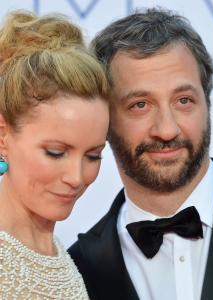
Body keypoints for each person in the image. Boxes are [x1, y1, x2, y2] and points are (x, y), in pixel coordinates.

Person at [69, 8, 213, 300]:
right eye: (141, 105)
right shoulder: (77, 271)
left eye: (183, 100)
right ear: (104, 119)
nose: (166, 130)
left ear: (208, 104)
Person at [0, 10, 109, 299]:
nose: (76, 178)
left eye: (93, 156)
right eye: (56, 152)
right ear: (3, 136)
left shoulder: (58, 253)